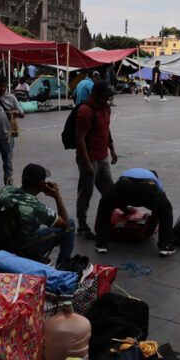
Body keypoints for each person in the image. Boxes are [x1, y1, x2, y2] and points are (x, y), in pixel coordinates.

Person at [0, 163, 75, 264]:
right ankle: (63, 264)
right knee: (70, 223)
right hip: (26, 247)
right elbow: (65, 223)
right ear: (42, 184)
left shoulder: (5, 190)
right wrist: (57, 196)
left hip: (1, 240)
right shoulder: (36, 207)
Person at [94, 167, 175, 257]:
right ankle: (165, 246)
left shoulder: (130, 172)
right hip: (148, 187)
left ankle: (101, 244)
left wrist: (126, 210)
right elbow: (157, 211)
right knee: (166, 210)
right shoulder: (155, 181)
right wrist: (151, 229)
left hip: (124, 184)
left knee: (105, 206)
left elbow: (116, 198)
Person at [73, 82, 117, 241]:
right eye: (105, 96)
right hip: (89, 158)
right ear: (96, 94)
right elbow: (80, 138)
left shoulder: (105, 107)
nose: (108, 99)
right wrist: (87, 163)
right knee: (86, 193)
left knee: (109, 191)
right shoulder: (86, 111)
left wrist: (112, 149)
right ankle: (82, 226)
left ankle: (110, 220)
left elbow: (106, 129)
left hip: (102, 156)